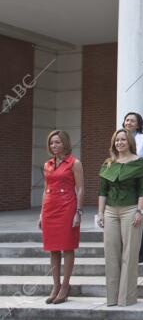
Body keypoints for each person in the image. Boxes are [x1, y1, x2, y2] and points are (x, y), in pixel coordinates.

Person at [96, 129, 143, 307]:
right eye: (117, 140)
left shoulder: (139, 162)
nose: (120, 142)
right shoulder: (108, 164)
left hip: (131, 210)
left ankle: (126, 298)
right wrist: (100, 213)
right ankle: (112, 298)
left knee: (130, 254)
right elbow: (103, 191)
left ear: (129, 142)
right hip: (110, 211)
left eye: (123, 139)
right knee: (111, 254)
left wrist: (140, 211)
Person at [39, 130, 84, 304]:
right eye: (51, 143)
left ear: (65, 143)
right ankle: (55, 286)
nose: (54, 146)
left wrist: (78, 212)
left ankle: (65, 286)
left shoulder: (75, 163)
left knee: (67, 247)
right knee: (53, 248)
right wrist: (41, 214)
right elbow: (45, 189)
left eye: (57, 142)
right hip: (50, 208)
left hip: (67, 207)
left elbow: (80, 189)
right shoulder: (47, 164)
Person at [122, 112, 143, 263]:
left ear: (138, 124)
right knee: (126, 218)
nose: (129, 123)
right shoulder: (120, 138)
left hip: (141, 185)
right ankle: (127, 251)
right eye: (127, 120)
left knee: (140, 217)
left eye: (132, 121)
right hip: (124, 186)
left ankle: (141, 253)